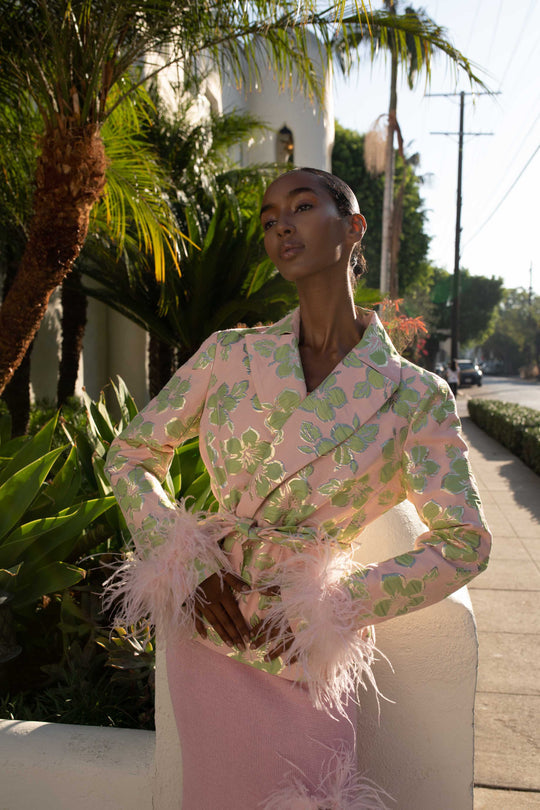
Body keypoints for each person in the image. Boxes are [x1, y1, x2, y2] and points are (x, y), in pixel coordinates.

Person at [104, 168, 491, 809]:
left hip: (303, 647)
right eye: (267, 216)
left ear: (354, 227)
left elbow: (466, 542)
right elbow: (131, 456)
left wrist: (335, 607)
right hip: (211, 623)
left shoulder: (416, 396)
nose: (280, 223)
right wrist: (190, 562)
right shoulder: (228, 355)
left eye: (303, 205)